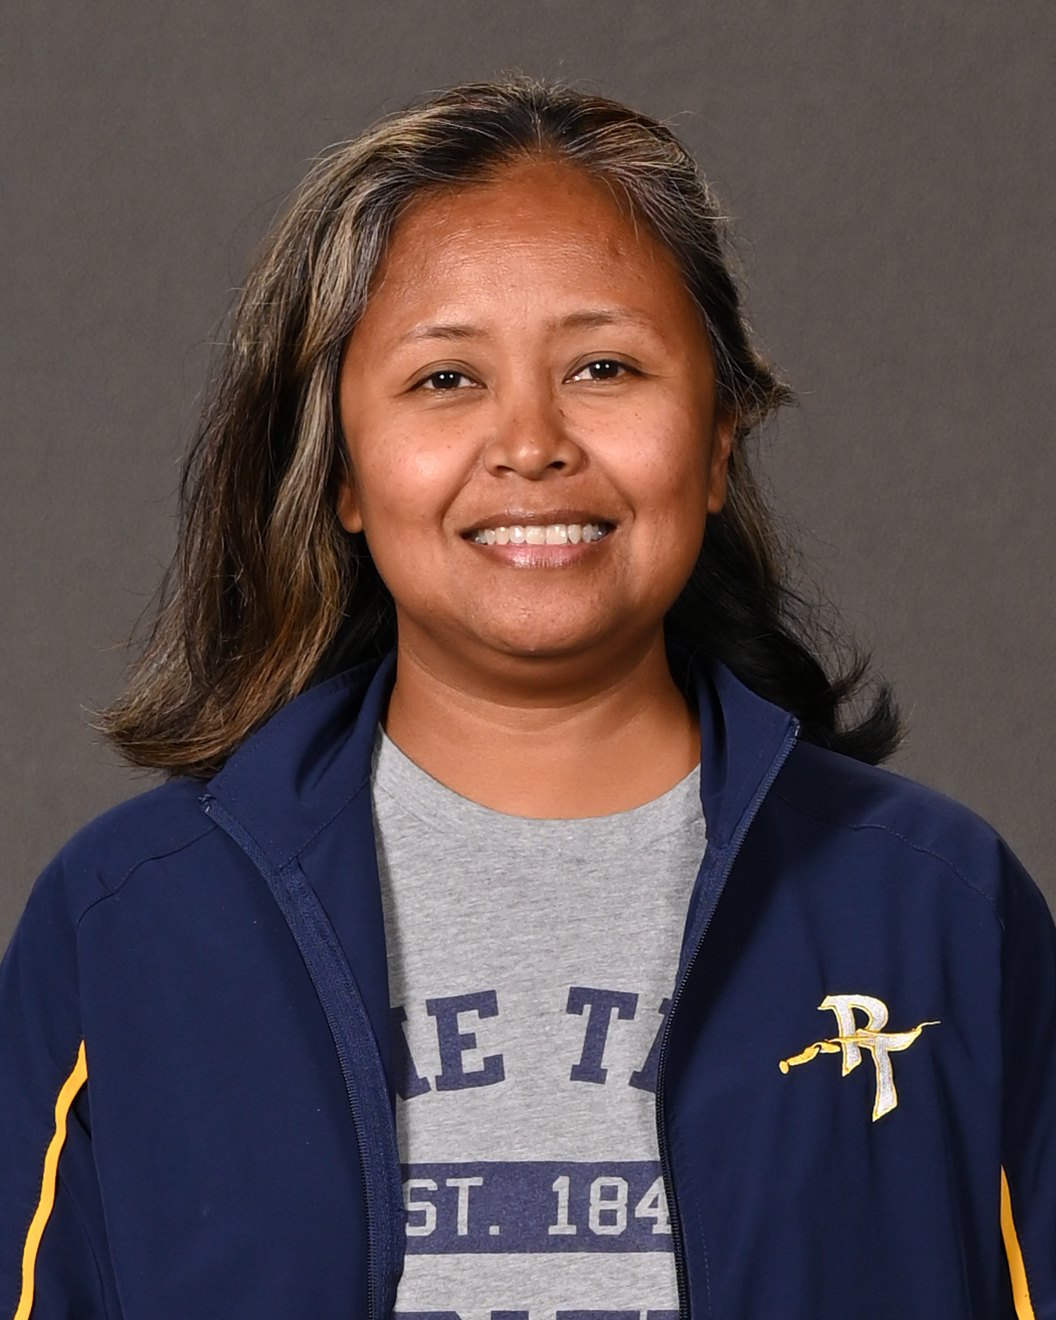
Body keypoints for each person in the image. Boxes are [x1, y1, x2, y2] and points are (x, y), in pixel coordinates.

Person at [0, 78, 1052, 1320]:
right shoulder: (129, 923)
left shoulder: (939, 909)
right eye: (446, 378)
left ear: (718, 437)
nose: (532, 443)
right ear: (341, 470)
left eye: (604, 366)